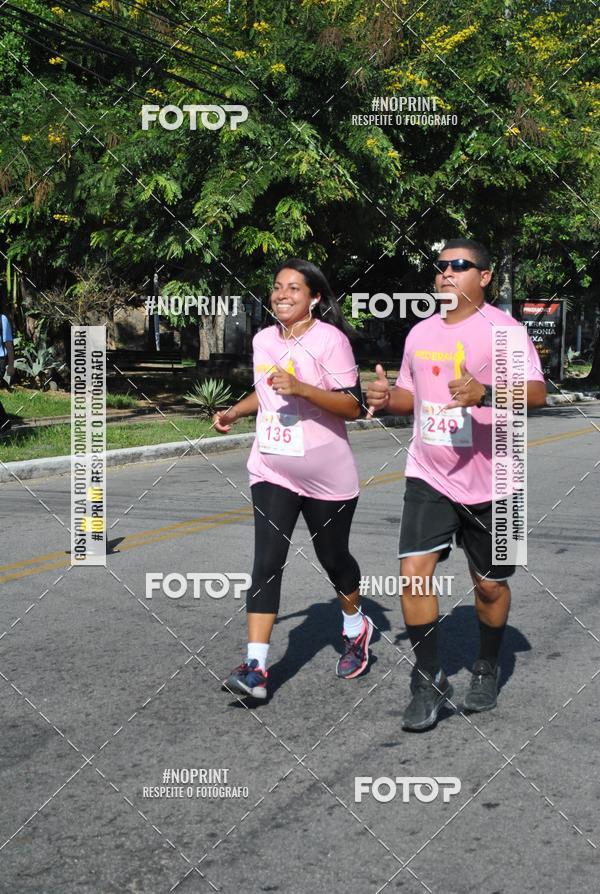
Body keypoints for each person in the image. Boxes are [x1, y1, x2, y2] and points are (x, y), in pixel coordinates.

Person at [366, 238, 546, 731]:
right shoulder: (420, 333)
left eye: (458, 266)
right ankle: (428, 678)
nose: (445, 273)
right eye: (440, 267)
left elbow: (537, 393)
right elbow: (410, 396)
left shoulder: (504, 332)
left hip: (500, 479)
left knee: (490, 587)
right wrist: (386, 399)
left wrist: (485, 391)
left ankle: (486, 665)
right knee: (413, 573)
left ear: (483, 277)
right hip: (429, 472)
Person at [213, 258, 371, 700]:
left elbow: (352, 407)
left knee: (334, 559)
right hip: (272, 467)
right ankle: (257, 668)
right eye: (277, 286)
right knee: (266, 562)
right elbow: (266, 391)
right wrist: (233, 411)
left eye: (294, 289)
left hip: (326, 474)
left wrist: (302, 387)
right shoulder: (264, 339)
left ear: (314, 298)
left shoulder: (331, 341)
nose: (282, 294)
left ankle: (356, 628)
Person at [0, 307, 15, 434]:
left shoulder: (2, 319)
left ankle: (4, 423)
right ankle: (5, 423)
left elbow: (8, 343)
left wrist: (11, 364)